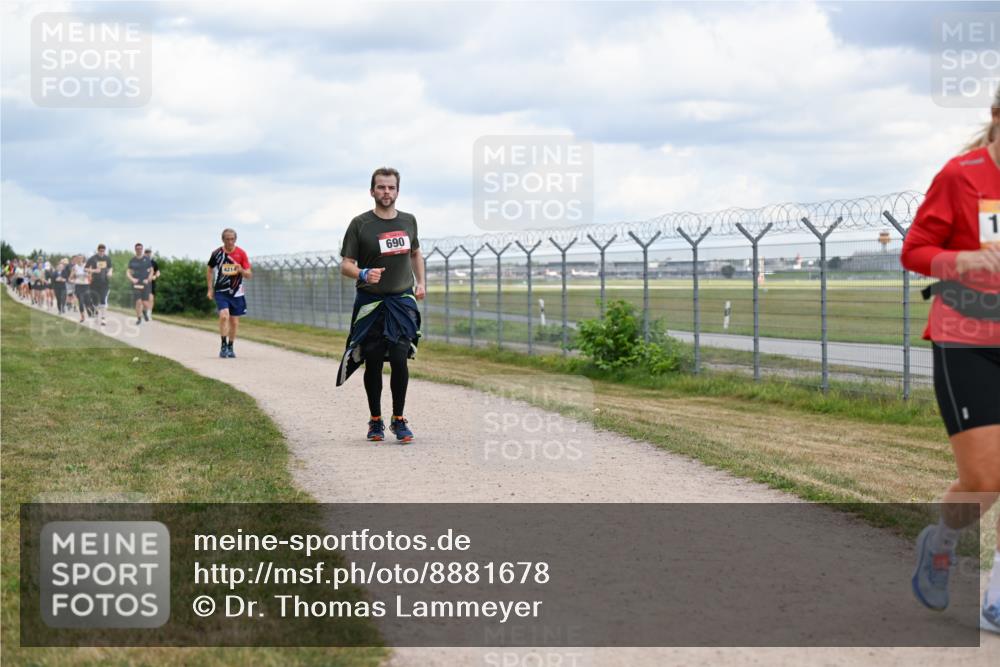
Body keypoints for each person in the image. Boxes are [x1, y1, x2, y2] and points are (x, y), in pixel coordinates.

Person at [903, 85, 1000, 633]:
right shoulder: (961, 175)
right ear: (995, 116)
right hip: (966, 337)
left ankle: (996, 597)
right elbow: (914, 250)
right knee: (986, 478)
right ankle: (940, 544)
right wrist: (962, 259)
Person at [336, 167, 425, 444]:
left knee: (399, 358)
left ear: (398, 191)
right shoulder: (360, 224)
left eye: (391, 187)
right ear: (372, 190)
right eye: (381, 187)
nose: (386, 192)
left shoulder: (409, 221)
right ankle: (375, 421)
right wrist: (363, 273)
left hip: (400, 300)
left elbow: (415, 252)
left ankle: (399, 419)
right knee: (372, 360)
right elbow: (345, 265)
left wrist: (421, 282)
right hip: (371, 303)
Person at [206, 228, 252, 358]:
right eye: (227, 239)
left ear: (235, 239)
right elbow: (209, 270)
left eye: (232, 239)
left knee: (234, 322)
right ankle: (223, 345)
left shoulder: (241, 253)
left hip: (237, 292)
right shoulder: (217, 254)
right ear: (223, 239)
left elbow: (249, 274)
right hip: (221, 290)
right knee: (224, 316)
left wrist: (240, 269)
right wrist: (210, 288)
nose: (230, 242)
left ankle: (231, 347)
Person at [85, 243, 113, 325]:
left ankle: (103, 318)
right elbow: (85, 268)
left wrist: (110, 272)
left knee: (103, 300)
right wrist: (93, 271)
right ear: (98, 250)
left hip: (104, 282)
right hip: (94, 283)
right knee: (95, 302)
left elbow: (110, 267)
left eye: (103, 251)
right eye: (100, 251)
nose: (102, 252)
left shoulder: (107, 258)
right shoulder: (93, 258)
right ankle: (96, 314)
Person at [126, 242, 153, 325]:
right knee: (138, 302)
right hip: (136, 284)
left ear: (142, 249)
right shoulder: (132, 260)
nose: (139, 250)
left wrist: (148, 279)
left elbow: (151, 270)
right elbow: (128, 272)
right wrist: (132, 279)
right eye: (137, 249)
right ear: (135, 250)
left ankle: (145, 312)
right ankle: (139, 318)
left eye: (140, 249)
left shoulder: (147, 259)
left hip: (145, 283)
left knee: (145, 303)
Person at [69, 255, 90, 323]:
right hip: (78, 286)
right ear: (77, 259)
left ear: (83, 259)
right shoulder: (74, 267)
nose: (80, 259)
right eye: (78, 258)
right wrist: (74, 274)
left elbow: (90, 275)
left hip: (86, 285)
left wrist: (87, 274)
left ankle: (90, 310)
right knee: (81, 301)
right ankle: (82, 316)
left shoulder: (86, 265)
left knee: (87, 301)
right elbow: (70, 277)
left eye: (81, 258)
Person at [144, 248, 160, 319]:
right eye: (147, 252)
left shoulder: (154, 263)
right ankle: (144, 311)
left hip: (151, 283)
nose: (148, 254)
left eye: (149, 253)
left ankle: (149, 313)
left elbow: (158, 272)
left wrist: (155, 276)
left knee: (151, 298)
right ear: (144, 253)